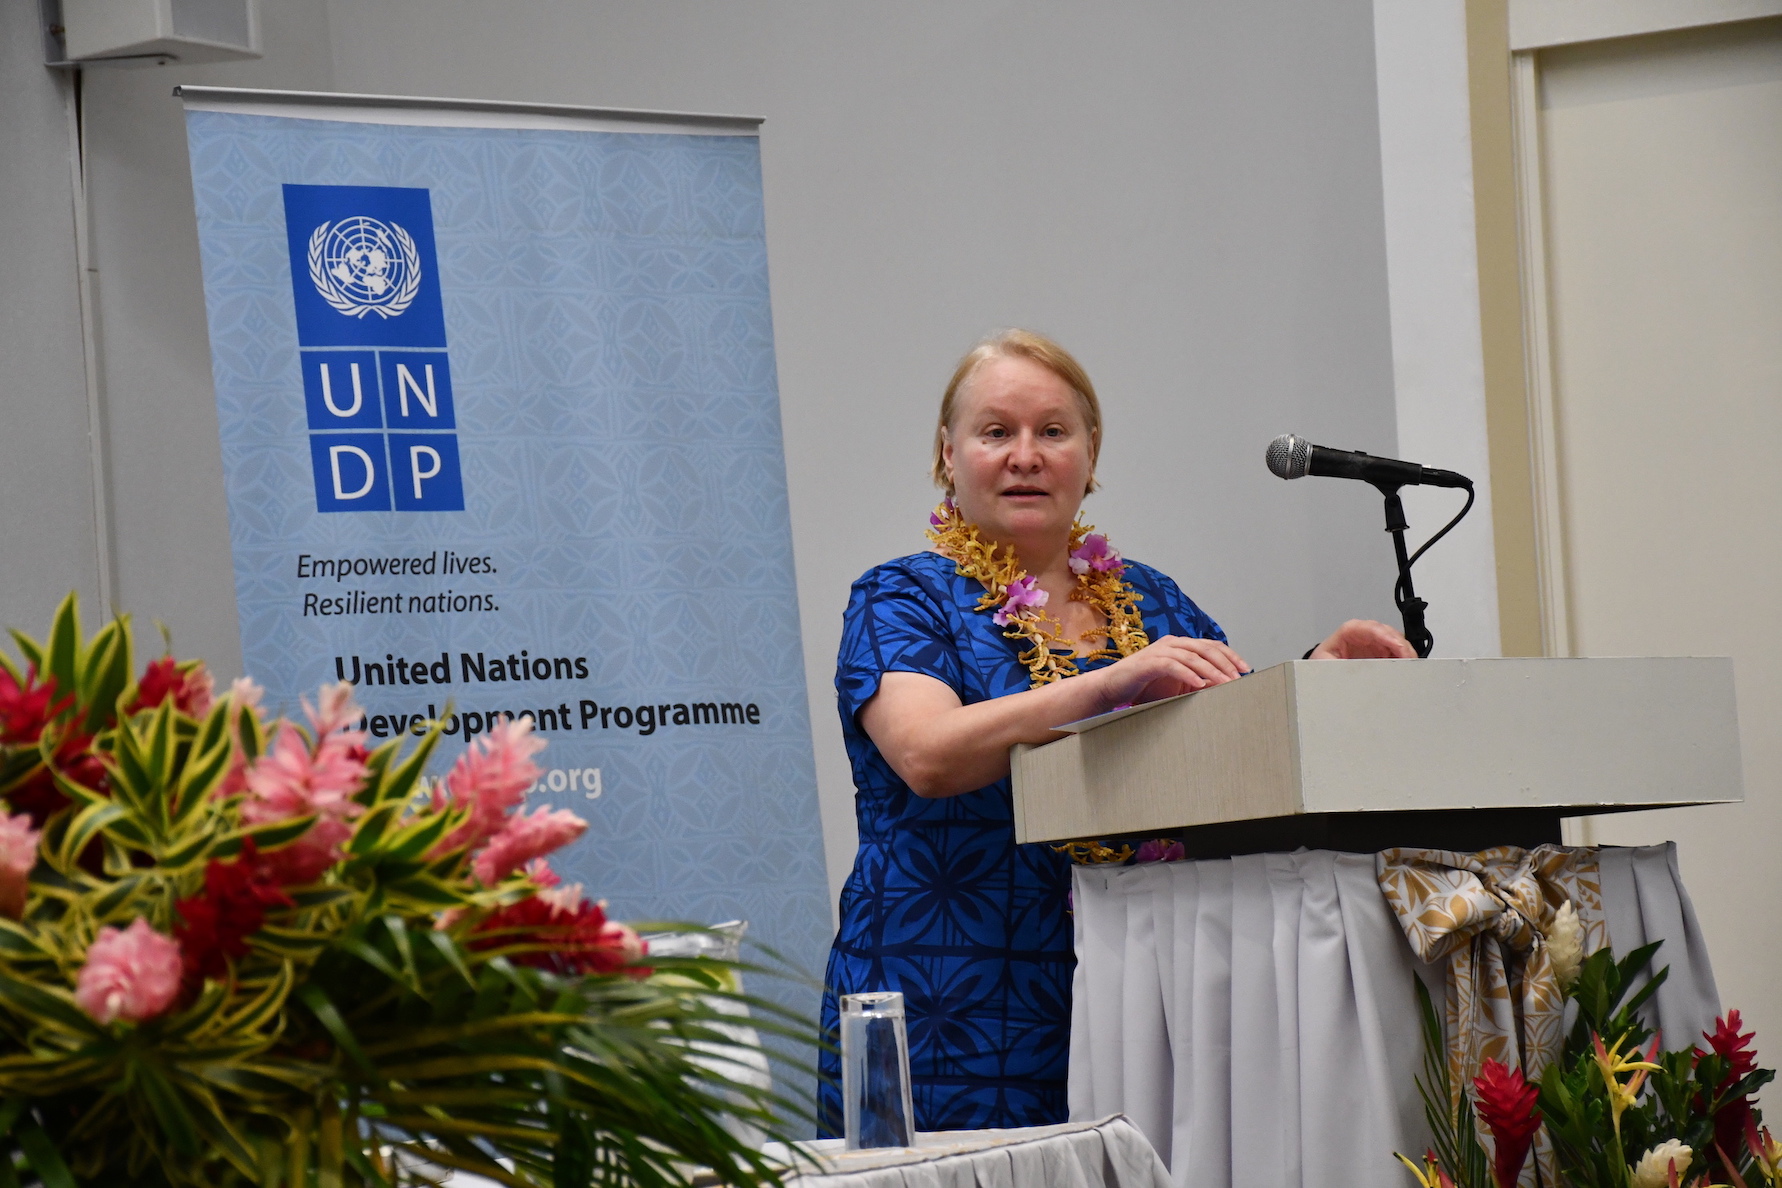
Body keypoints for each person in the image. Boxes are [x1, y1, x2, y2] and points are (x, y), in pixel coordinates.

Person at [818, 329, 1414, 1134]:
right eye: (997, 432)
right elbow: (928, 755)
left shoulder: (1152, 601)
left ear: (1090, 454)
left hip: (1138, 994)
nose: (1025, 455)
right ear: (948, 453)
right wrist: (1109, 685)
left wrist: (1317, 671)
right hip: (943, 998)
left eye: (1052, 432)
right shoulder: (902, 597)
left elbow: (1226, 742)